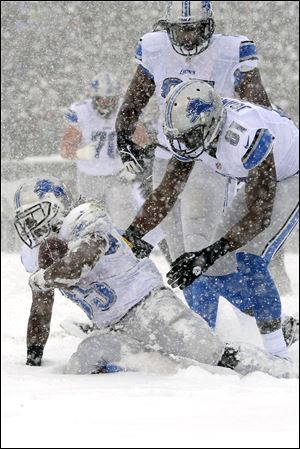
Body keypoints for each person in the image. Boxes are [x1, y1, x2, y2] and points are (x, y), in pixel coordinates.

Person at [13, 176, 297, 378]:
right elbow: (41, 309)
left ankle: (282, 373)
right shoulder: (42, 254)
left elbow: (80, 263)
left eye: (33, 215)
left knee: (210, 353)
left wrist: (45, 277)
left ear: (56, 205)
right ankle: (154, 361)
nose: (29, 225)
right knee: (83, 362)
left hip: (149, 304)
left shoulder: (86, 216)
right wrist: (33, 358)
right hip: (112, 325)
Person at [121, 80, 299, 360]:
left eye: (190, 137)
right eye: (179, 137)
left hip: (290, 177)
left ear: (212, 123)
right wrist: (132, 234)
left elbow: (260, 216)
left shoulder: (245, 135)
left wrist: (210, 251)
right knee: (215, 269)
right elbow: (166, 193)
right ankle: (283, 326)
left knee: (250, 256)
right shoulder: (193, 128)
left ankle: (279, 354)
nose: (183, 144)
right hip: (256, 176)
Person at [59, 70, 145, 231]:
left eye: (109, 99)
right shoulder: (82, 112)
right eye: (101, 99)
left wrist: (134, 161)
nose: (105, 103)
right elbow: (65, 148)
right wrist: (79, 153)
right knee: (90, 222)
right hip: (89, 176)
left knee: (123, 220)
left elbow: (142, 141)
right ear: (94, 97)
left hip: (118, 175)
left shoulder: (126, 109)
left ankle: (125, 252)